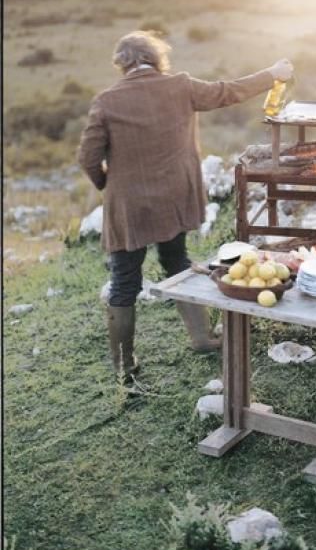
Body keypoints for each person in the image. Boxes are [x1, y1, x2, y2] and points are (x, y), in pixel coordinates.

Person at [78, 30, 293, 382]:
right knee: (176, 261)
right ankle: (203, 338)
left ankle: (124, 366)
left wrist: (109, 185)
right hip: (174, 199)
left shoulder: (106, 101)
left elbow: (88, 157)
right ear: (156, 58)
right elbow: (228, 91)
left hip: (130, 208)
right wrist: (272, 73)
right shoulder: (180, 85)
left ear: (122, 64)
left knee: (123, 282)